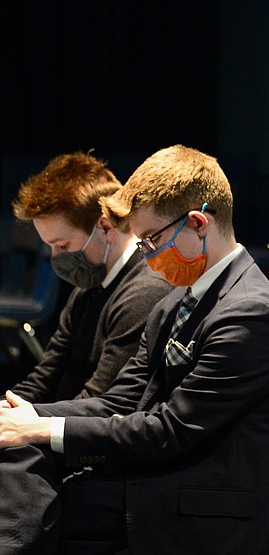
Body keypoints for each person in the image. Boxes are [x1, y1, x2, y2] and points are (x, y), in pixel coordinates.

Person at [0, 145, 269, 553]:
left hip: (202, 507)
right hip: (167, 477)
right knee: (18, 466)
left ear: (197, 223)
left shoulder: (250, 315)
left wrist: (41, 429)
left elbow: (169, 429)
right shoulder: (177, 301)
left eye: (150, 240)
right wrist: (25, 416)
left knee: (29, 487)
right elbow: (118, 402)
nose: (145, 254)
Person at [10, 152, 171, 402]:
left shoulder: (145, 293)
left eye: (62, 246)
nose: (55, 257)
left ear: (106, 227)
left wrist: (26, 425)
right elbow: (45, 379)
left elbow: (101, 401)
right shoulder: (89, 285)